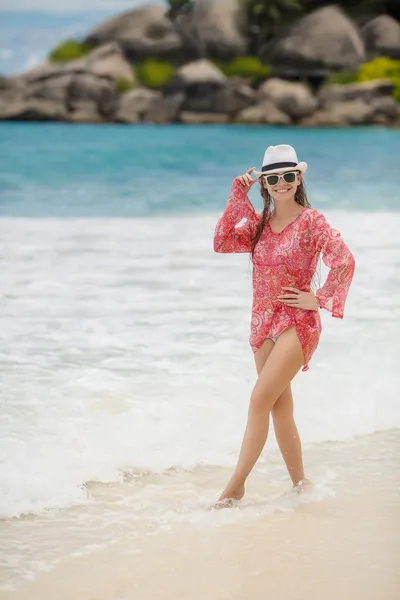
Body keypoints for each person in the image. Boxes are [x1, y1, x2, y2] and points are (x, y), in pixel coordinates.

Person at [212, 144, 355, 508]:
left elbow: (344, 260)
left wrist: (319, 298)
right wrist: (236, 195)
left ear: (298, 178)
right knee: (278, 406)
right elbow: (221, 241)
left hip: (297, 321)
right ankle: (301, 482)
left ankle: (235, 488)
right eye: (273, 178)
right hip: (263, 322)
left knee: (259, 400)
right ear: (265, 184)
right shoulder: (259, 225)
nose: (282, 184)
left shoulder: (311, 221)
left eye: (288, 177)